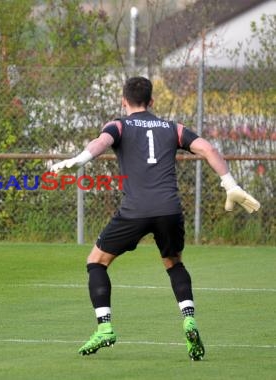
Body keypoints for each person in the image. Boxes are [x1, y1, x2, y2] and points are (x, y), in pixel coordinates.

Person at [50, 76, 260, 360]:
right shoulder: (173, 128)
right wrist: (230, 184)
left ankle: (105, 327)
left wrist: (78, 160)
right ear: (151, 102)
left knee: (96, 262)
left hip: (135, 210)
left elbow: (102, 142)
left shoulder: (119, 124)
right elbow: (209, 149)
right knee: (174, 263)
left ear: (124, 101)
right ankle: (188, 318)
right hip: (169, 209)